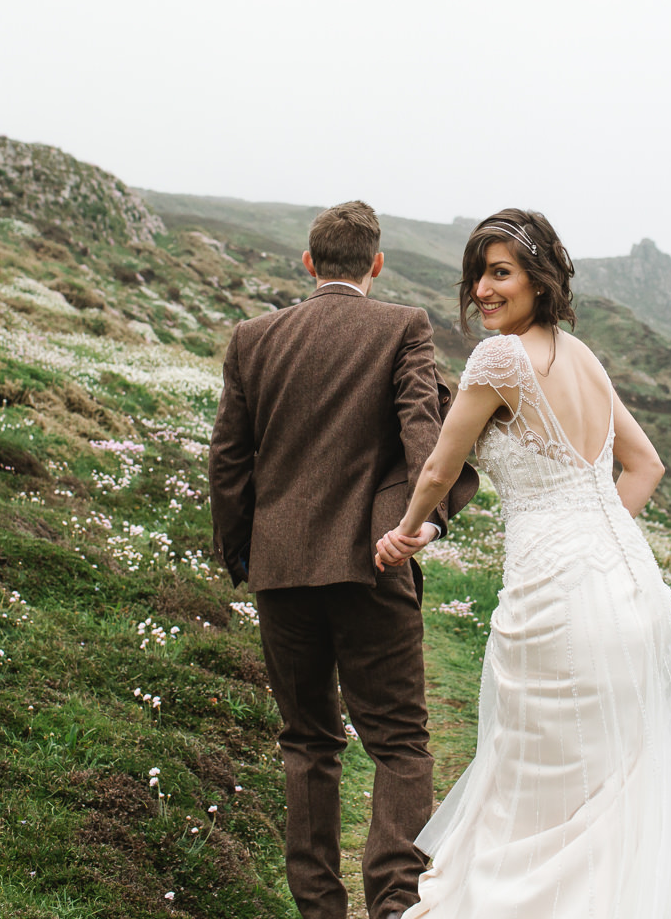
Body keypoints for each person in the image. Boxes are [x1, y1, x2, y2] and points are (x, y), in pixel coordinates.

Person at [374, 210, 671, 918]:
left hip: (560, 599)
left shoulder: (500, 359)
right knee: (611, 785)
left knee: (542, 777)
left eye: (501, 272)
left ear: (540, 278)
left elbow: (441, 465)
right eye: (478, 274)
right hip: (631, 590)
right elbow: (645, 466)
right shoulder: (583, 356)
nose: (484, 289)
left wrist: (406, 532)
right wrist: (591, 541)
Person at [209, 200, 477, 919]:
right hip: (374, 566)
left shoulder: (252, 338)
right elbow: (425, 430)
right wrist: (426, 521)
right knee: (399, 745)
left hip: (280, 571)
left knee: (307, 743)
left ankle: (320, 909)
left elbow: (229, 459)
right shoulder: (402, 327)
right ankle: (393, 905)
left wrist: (243, 553)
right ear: (376, 264)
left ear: (309, 262)